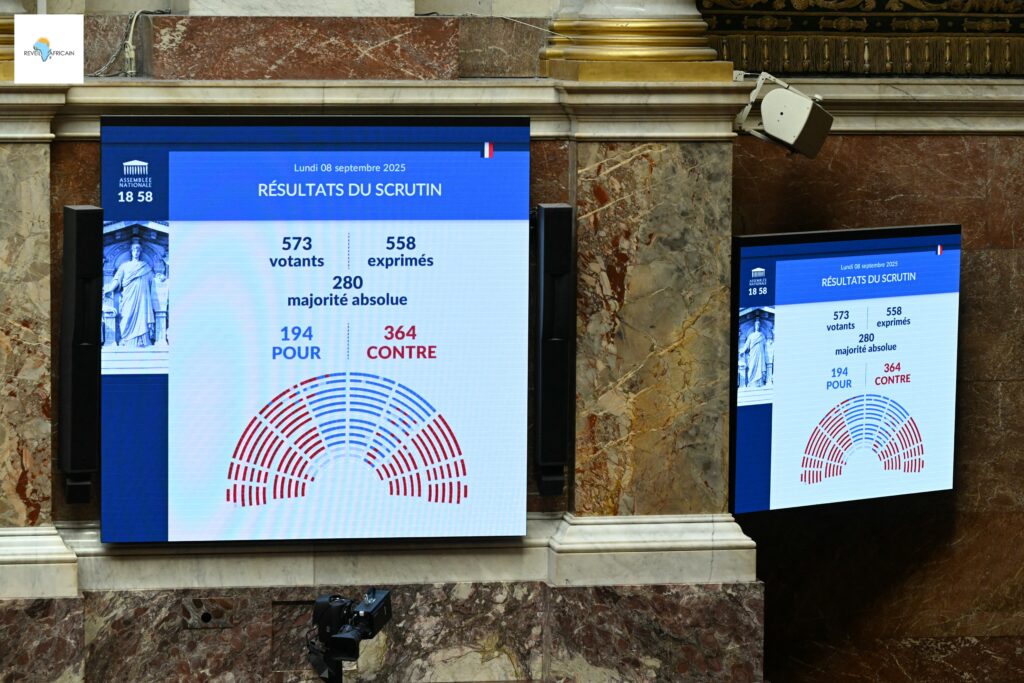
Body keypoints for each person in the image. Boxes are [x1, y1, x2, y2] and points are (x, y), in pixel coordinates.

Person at [104, 241, 155, 347]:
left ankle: (142, 341)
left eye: (138, 250)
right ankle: (126, 340)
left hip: (142, 297)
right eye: (134, 250)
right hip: (128, 296)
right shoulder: (125, 266)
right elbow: (117, 279)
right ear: (131, 252)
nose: (136, 252)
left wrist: (161, 278)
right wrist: (110, 289)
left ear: (140, 252)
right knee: (126, 316)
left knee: (142, 316)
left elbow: (153, 280)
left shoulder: (145, 266)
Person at [740, 318, 767, 388]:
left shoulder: (762, 335)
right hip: (753, 354)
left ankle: (759, 382)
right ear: (755, 326)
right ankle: (751, 382)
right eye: (756, 325)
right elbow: (747, 344)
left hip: (760, 354)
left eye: (758, 325)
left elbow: (765, 346)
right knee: (752, 366)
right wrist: (743, 350)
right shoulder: (751, 335)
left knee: (760, 367)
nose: (757, 326)